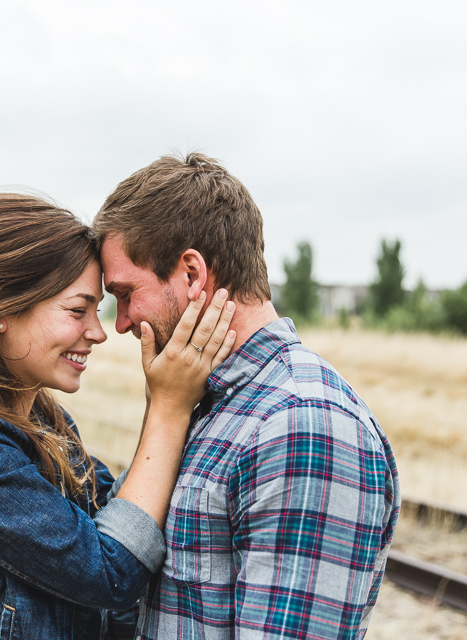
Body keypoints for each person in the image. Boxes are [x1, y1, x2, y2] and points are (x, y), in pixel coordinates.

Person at [0, 193, 237, 640]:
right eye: (78, 310)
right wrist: (168, 407)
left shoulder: (47, 423)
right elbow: (110, 570)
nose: (97, 332)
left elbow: (119, 519)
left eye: (98, 309)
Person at [92, 153, 401, 640]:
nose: (123, 322)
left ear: (191, 274)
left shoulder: (303, 425)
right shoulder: (207, 403)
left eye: (126, 294)